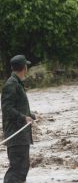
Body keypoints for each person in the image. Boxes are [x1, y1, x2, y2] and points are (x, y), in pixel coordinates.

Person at [1, 55, 36, 183]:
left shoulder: (16, 83)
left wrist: (31, 115)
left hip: (21, 134)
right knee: (17, 169)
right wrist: (23, 117)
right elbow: (7, 109)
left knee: (22, 168)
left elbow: (16, 107)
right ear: (24, 68)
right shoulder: (11, 85)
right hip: (15, 135)